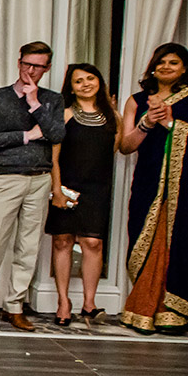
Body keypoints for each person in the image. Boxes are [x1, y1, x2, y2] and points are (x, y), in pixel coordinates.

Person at [118, 43, 188, 333]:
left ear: (185, 68)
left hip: (185, 189)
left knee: (177, 241)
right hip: (148, 182)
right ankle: (143, 308)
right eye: (162, 62)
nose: (167, 67)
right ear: (153, 66)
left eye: (174, 62)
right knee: (144, 239)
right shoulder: (137, 100)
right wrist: (146, 123)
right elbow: (125, 146)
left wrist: (172, 123)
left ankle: (170, 310)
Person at [0, 42, 64, 331]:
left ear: (46, 68)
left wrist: (35, 105)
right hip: (7, 177)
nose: (30, 71)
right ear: (18, 62)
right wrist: (26, 135)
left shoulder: (52, 100)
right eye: (27, 64)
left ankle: (15, 305)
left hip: (40, 178)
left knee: (28, 246)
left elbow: (57, 133)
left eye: (38, 66)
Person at [46, 64, 121, 328]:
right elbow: (52, 158)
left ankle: (89, 303)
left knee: (93, 244)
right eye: (79, 81)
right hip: (66, 186)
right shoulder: (64, 115)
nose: (86, 84)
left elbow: (113, 150)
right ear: (71, 87)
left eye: (91, 78)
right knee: (62, 241)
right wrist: (56, 190)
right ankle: (63, 301)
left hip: (97, 189)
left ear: (99, 82)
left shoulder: (112, 116)